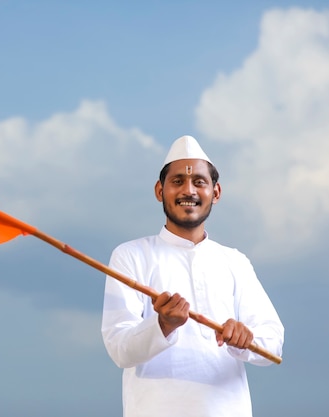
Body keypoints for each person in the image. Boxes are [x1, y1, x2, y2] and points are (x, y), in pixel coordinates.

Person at [101, 135, 284, 417]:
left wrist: (246, 338)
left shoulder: (234, 261)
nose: (189, 190)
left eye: (199, 182)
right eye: (177, 182)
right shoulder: (130, 256)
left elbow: (272, 342)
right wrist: (163, 325)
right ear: (159, 191)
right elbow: (119, 349)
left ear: (216, 192)